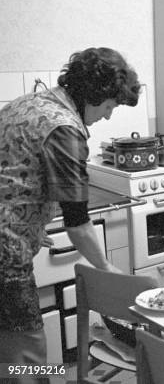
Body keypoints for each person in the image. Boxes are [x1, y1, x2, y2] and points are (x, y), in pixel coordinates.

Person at [0, 47, 141, 380]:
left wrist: (28, 221)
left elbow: (14, 173)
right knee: (28, 353)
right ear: (95, 95)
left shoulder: (26, 104)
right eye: (110, 106)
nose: (107, 116)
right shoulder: (64, 128)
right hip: (6, 255)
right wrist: (108, 270)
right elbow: (78, 223)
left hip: (10, 237)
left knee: (6, 348)